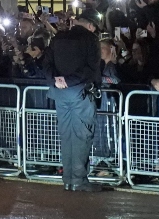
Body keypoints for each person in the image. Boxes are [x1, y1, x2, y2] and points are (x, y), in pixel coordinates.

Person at [43, 12, 109, 192]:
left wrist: (56, 80)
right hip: (80, 92)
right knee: (82, 136)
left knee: (66, 136)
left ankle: (68, 179)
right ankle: (79, 180)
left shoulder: (58, 37)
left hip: (59, 93)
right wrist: (69, 81)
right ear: (92, 25)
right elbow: (91, 68)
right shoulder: (91, 39)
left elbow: (46, 62)